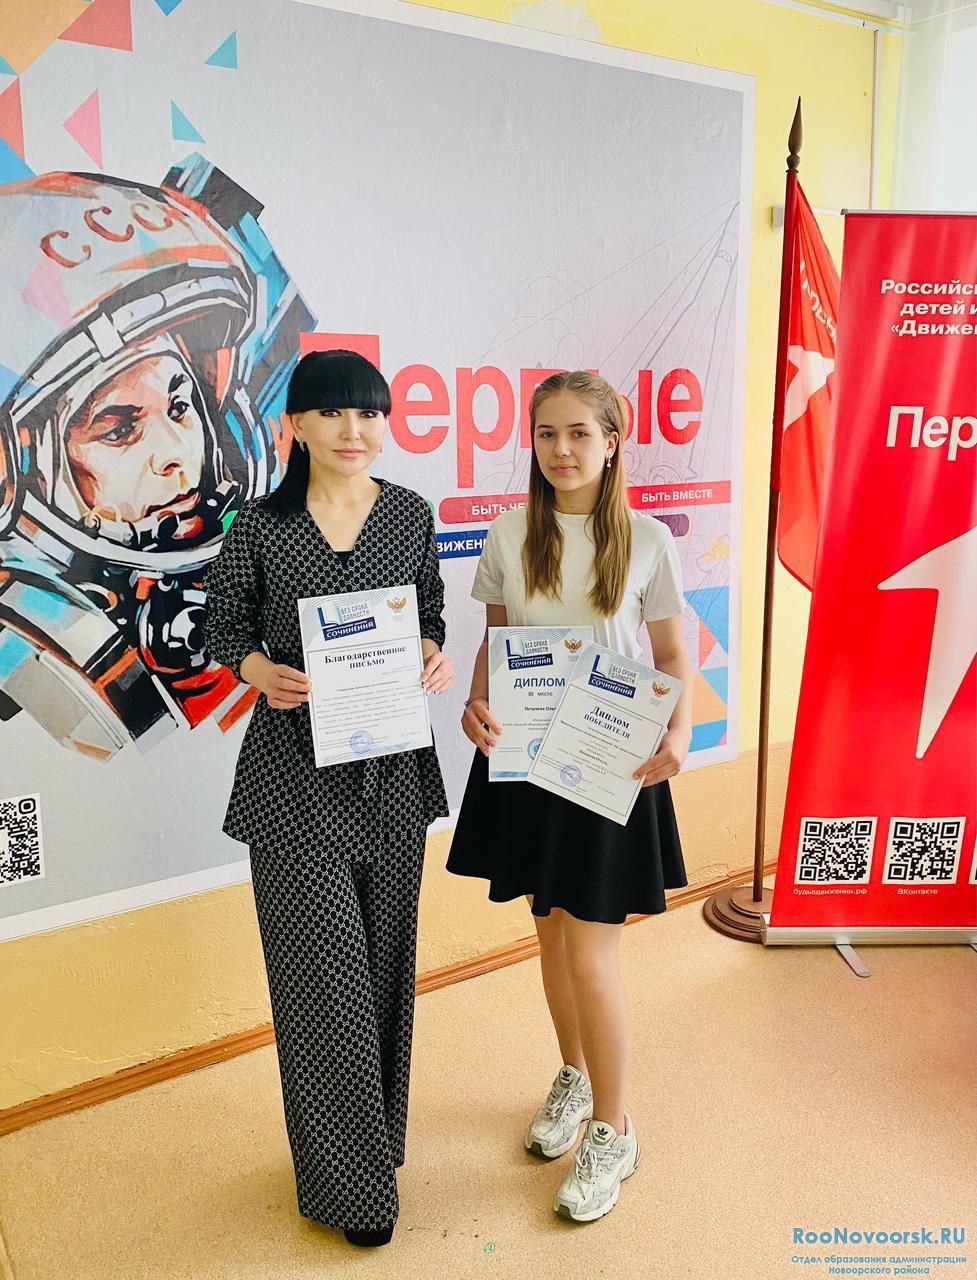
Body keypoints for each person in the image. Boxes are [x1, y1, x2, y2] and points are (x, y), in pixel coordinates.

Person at [204, 348, 453, 1248]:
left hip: (390, 773)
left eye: (371, 413)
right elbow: (220, 627)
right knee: (323, 987)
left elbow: (428, 610)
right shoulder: (260, 527)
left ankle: (371, 1150)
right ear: (296, 425)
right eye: (335, 412)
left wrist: (431, 651)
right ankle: (355, 1195)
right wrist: (256, 669)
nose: (356, 430)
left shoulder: (409, 514)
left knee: (383, 974)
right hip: (291, 786)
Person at [447, 369, 693, 1223]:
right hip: (527, 764)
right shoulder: (510, 532)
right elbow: (497, 644)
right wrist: (476, 704)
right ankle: (574, 1077)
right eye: (545, 433)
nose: (560, 449)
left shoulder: (648, 539)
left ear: (612, 442)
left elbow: (673, 654)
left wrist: (677, 734)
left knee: (591, 954)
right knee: (550, 939)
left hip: (608, 764)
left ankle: (613, 1130)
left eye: (579, 433)